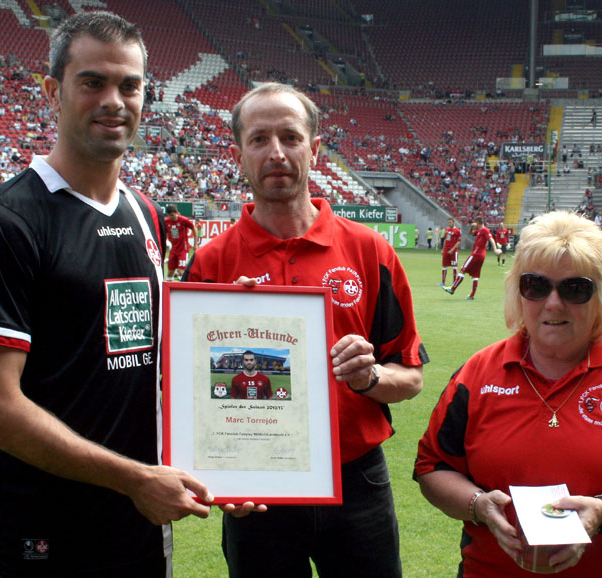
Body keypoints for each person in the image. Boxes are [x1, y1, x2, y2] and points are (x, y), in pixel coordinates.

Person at [0, 12, 218, 577]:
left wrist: (235, 317)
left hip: (141, 527)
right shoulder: (5, 222)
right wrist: (135, 479)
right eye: (92, 82)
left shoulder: (143, 211)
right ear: (53, 91)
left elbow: (141, 359)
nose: (114, 100)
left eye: (130, 85)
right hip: (46, 535)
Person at [183, 82, 427, 577]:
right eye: (259, 139)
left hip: (356, 481)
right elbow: (186, 394)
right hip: (256, 489)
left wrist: (370, 378)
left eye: (291, 137)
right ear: (238, 154)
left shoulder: (368, 251)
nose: (276, 153)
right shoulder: (211, 263)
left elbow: (411, 376)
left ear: (314, 150)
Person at [415, 211, 602, 577]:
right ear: (518, 292)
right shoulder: (479, 370)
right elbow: (432, 466)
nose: (553, 303)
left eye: (575, 288)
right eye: (536, 286)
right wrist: (476, 504)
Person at [444, 216, 500, 299]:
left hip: (476, 254)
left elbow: (491, 238)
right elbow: (470, 233)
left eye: (475, 223)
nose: (475, 224)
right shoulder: (480, 231)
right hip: (481, 255)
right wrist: (471, 226)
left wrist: (495, 249)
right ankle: (472, 295)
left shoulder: (485, 230)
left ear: (478, 222)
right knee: (475, 275)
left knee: (463, 269)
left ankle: (452, 289)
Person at [164, 203, 196, 280]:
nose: (171, 217)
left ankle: (183, 289)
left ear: (176, 212)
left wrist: (195, 244)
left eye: (172, 215)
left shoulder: (183, 220)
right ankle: (168, 289)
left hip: (183, 250)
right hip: (173, 250)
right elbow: (165, 232)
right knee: (170, 271)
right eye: (169, 215)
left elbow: (194, 229)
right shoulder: (166, 221)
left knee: (181, 271)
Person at [439, 217, 461, 287]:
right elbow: (446, 239)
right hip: (446, 250)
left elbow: (458, 242)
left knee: (454, 266)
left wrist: (452, 249)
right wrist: (443, 249)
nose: (449, 224)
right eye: (448, 222)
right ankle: (443, 281)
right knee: (444, 265)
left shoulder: (457, 230)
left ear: (454, 222)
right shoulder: (447, 229)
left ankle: (454, 282)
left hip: (454, 251)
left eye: (450, 222)